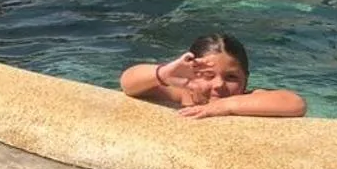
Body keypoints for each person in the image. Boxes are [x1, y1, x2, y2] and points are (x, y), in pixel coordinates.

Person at [119, 33, 308, 119]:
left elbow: (295, 103)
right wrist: (163, 73)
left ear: (246, 79)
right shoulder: (181, 95)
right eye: (208, 75)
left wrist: (224, 106)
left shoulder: (247, 99)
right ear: (190, 75)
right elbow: (128, 82)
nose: (219, 85)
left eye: (231, 77)